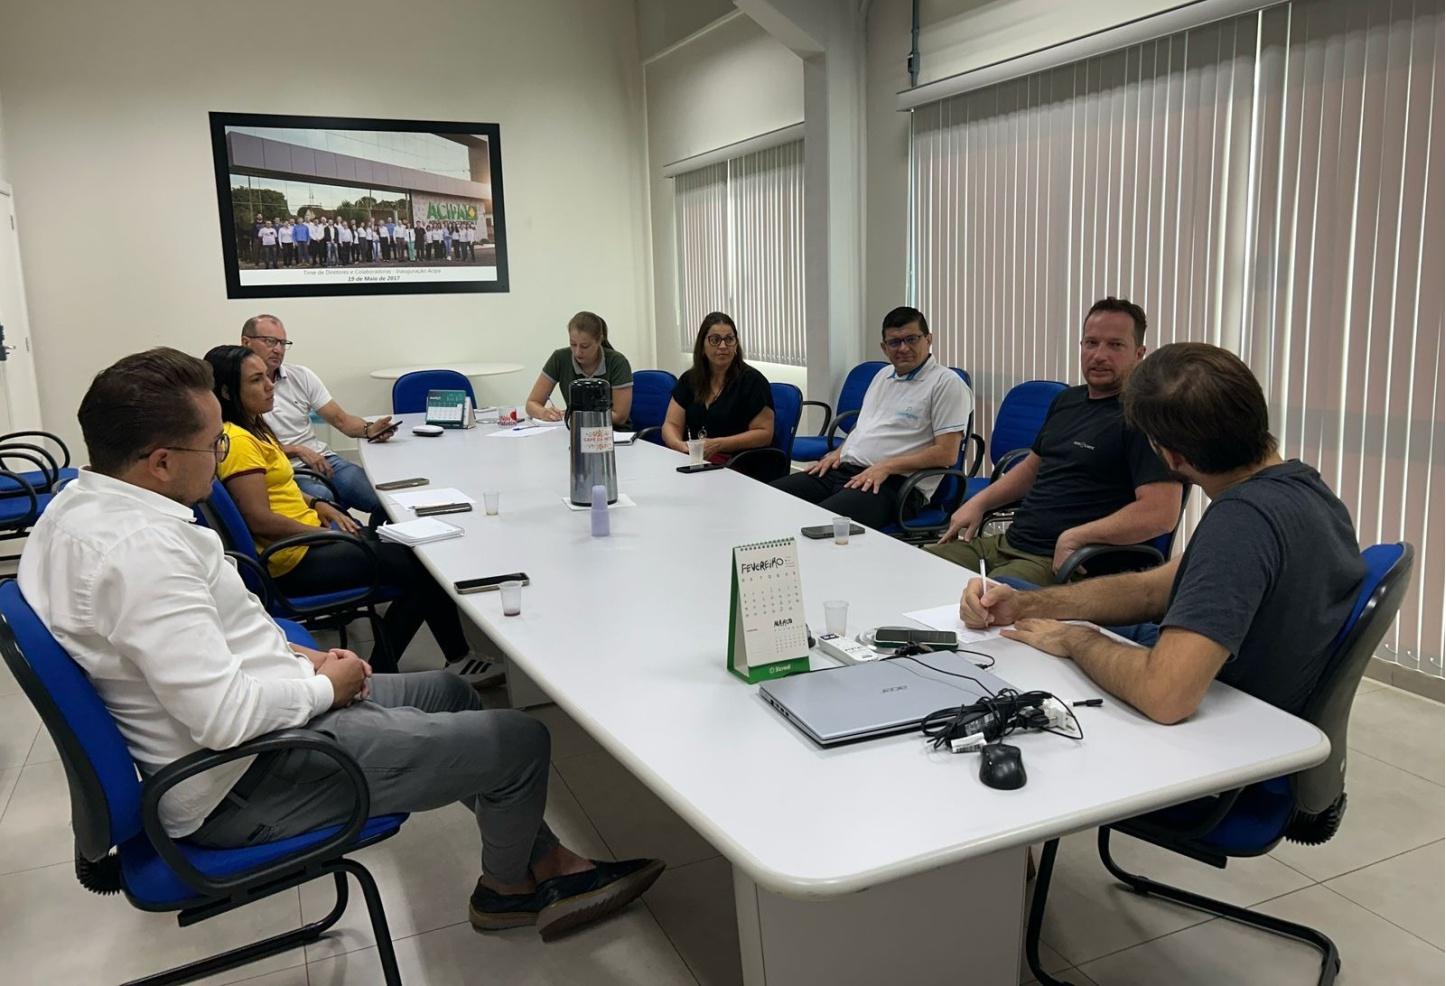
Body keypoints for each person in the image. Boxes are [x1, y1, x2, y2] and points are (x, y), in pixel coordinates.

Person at [18, 347, 665, 939]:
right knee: (523, 741)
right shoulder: (141, 553)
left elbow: (200, 654)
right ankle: (507, 890)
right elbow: (221, 717)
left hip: (253, 721)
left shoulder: (77, 509)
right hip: (245, 776)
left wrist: (304, 660)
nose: (222, 456)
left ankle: (541, 859)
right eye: (213, 445)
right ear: (159, 462)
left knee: (450, 689)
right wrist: (328, 684)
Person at [960, 342, 1367, 723]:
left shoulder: (1241, 523)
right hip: (1227, 683)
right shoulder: (1303, 487)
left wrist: (1074, 640)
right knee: (1013, 589)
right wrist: (1029, 605)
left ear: (1171, 456)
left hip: (1225, 741)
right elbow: (1153, 591)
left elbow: (1165, 695)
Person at [204, 344, 497, 685]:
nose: (270, 385)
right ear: (227, 391)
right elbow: (258, 518)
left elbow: (277, 487)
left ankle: (449, 658)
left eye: (267, 378)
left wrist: (318, 505)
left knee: (414, 556)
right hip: (295, 560)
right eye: (257, 381)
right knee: (424, 571)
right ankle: (385, 670)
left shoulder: (254, 429)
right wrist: (327, 534)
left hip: (306, 540)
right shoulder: (238, 441)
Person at [926, 297, 1181, 584]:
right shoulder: (1067, 400)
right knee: (921, 569)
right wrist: (980, 502)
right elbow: (1030, 470)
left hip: (1064, 561)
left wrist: (1077, 537)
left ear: (1139, 353)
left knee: (981, 601)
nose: (1099, 355)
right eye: (1091, 343)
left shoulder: (1145, 417)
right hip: (1009, 543)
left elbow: (1160, 514)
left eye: (1115, 345)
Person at [771, 306, 971, 530]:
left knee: (820, 525)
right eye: (895, 342)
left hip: (896, 484)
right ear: (884, 348)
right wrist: (839, 452)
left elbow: (946, 453)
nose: (903, 348)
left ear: (928, 339)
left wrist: (886, 466)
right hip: (846, 470)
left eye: (911, 339)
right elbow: (865, 427)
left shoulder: (946, 384)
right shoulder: (883, 376)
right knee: (772, 500)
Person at [240, 314, 393, 525]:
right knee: (329, 507)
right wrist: (297, 450)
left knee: (386, 501)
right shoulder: (237, 388)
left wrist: (369, 429)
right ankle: (357, 545)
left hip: (324, 459)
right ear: (246, 342)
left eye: (283, 343)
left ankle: (383, 548)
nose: (278, 349)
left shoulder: (300, 376)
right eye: (270, 342)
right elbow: (248, 448)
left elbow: (341, 420)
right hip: (286, 469)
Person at [661, 312, 775, 478]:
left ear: (736, 345)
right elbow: (671, 424)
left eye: (729, 339)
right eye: (715, 340)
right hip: (696, 461)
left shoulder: (753, 381)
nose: (723, 346)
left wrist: (719, 444)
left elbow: (764, 433)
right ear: (702, 346)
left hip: (738, 463)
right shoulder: (689, 379)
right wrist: (680, 447)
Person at [526, 311, 634, 427]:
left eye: (584, 346)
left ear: (599, 340)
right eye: (573, 344)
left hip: (613, 434)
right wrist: (544, 413)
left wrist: (578, 417)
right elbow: (532, 403)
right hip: (574, 431)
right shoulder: (560, 358)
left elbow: (620, 417)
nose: (577, 352)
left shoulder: (617, 362)